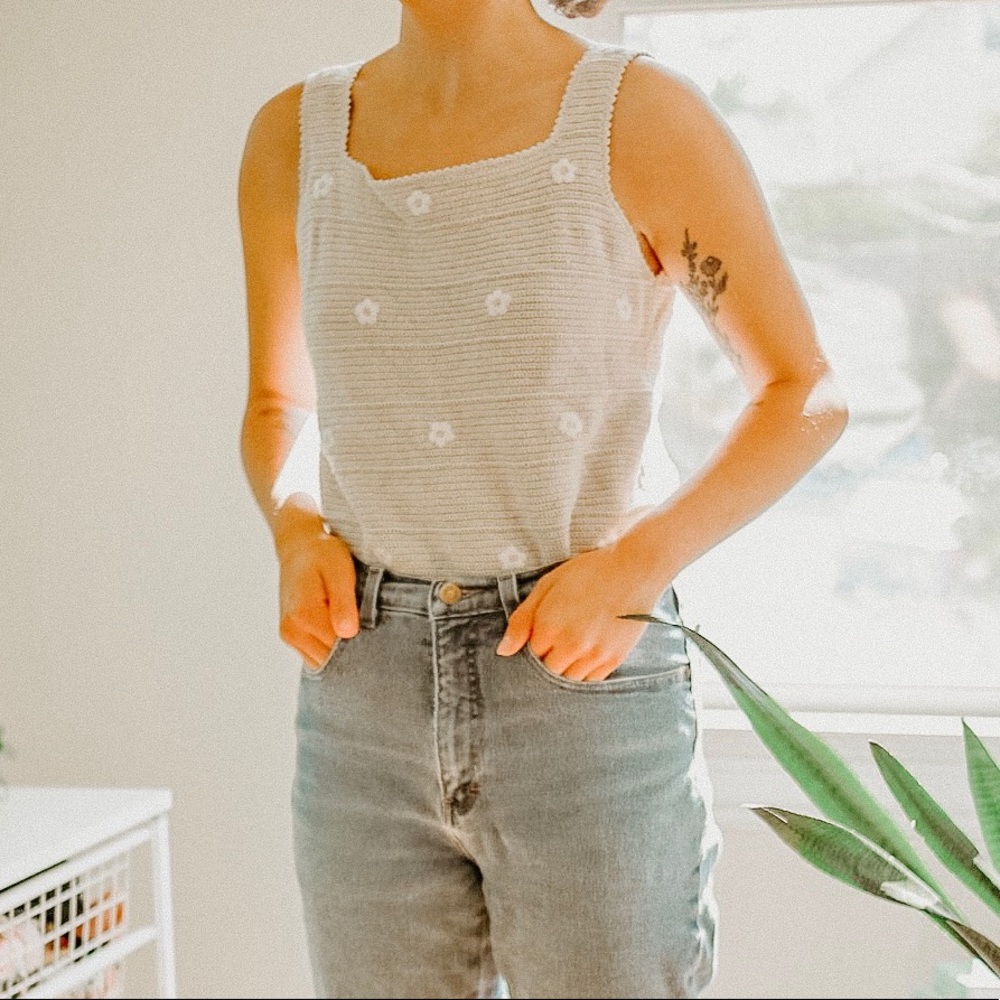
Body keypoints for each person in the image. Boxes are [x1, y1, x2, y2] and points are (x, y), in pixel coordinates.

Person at [237, 1, 849, 997]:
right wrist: (293, 526)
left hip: (580, 686)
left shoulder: (637, 114)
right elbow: (277, 404)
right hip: (360, 692)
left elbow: (802, 394)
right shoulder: (290, 137)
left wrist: (637, 566)